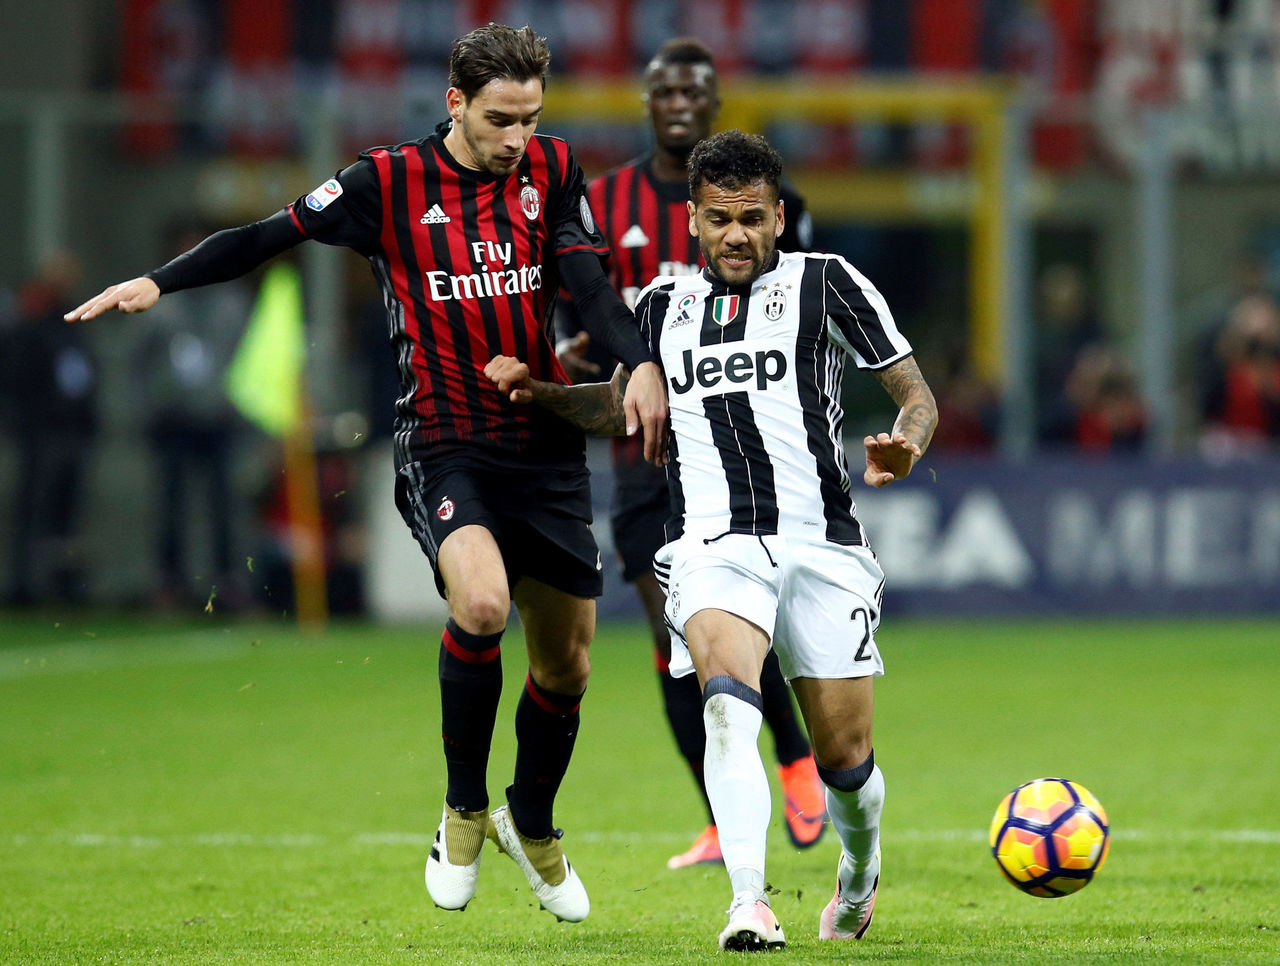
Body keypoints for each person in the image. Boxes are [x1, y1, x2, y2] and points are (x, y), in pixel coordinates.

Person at [65, 23, 667, 925]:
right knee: (482, 606)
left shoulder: (552, 169)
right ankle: (463, 812)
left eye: (531, 119)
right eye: (500, 120)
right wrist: (161, 281)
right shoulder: (384, 182)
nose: (517, 139)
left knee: (568, 665)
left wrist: (641, 361)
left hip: (543, 445)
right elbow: (265, 235)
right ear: (455, 103)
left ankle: (532, 822)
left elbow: (589, 288)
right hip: (445, 440)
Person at [486, 129, 938, 950]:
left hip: (822, 546)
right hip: (711, 544)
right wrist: (541, 394)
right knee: (727, 708)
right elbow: (618, 405)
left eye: (753, 218)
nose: (737, 235)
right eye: (720, 218)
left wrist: (906, 443)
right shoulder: (661, 307)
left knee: (846, 764)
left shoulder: (827, 282)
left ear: (777, 218)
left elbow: (916, 394)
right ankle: (748, 903)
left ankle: (860, 870)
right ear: (694, 219)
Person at [559, 37, 826, 870]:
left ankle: (797, 761)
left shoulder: (776, 203)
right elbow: (576, 302)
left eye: (693, 91)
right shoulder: (603, 201)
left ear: (714, 104)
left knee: (751, 622)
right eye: (664, 91)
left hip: (747, 453)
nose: (678, 103)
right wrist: (568, 353)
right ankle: (721, 814)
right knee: (673, 632)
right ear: (647, 103)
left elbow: (802, 306)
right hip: (646, 455)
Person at [133, 223, 251, 609]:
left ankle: (229, 583)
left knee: (225, 507)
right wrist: (148, 407)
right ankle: (170, 583)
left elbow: (249, 358)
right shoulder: (158, 300)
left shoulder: (233, 302)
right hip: (173, 419)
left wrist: (238, 408)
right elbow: (138, 363)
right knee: (170, 508)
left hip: (219, 419)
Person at [3, 250, 98, 605]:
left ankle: (63, 585)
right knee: (33, 509)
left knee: (67, 515)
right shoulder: (30, 319)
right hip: (41, 430)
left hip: (73, 430)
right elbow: (17, 375)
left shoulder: (74, 320)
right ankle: (24, 585)